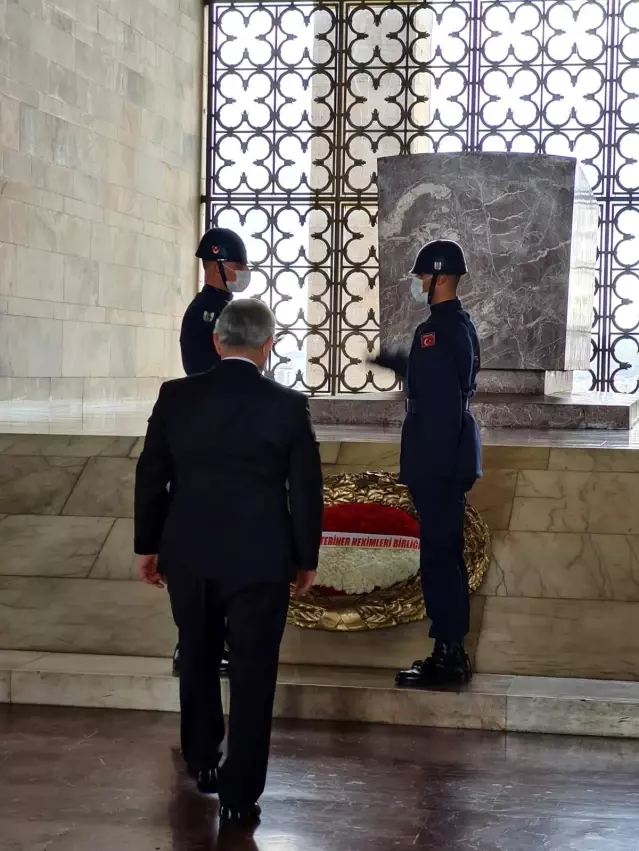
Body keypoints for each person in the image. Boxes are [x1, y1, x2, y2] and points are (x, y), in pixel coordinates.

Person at [134, 299, 324, 828]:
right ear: (268, 347)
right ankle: (241, 791)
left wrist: (148, 545)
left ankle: (201, 760)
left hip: (189, 552)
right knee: (254, 670)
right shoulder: (288, 405)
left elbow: (151, 474)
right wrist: (305, 556)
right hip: (261, 559)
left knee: (195, 655)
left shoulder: (176, 396)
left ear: (217, 342)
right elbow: (306, 490)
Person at [371, 239, 482, 688]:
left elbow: (438, 407)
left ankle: (449, 658)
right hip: (448, 461)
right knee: (445, 557)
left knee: (439, 560)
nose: (418, 282)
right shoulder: (458, 326)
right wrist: (400, 362)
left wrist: (430, 473)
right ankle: (450, 652)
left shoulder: (435, 332)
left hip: (436, 464)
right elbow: (442, 382)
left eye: (422, 276)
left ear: (439, 278)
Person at [173, 226, 250, 678]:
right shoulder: (205, 314)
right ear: (216, 264)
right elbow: (208, 384)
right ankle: (193, 645)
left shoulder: (225, 311)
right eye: (237, 266)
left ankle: (209, 642)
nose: (241, 273)